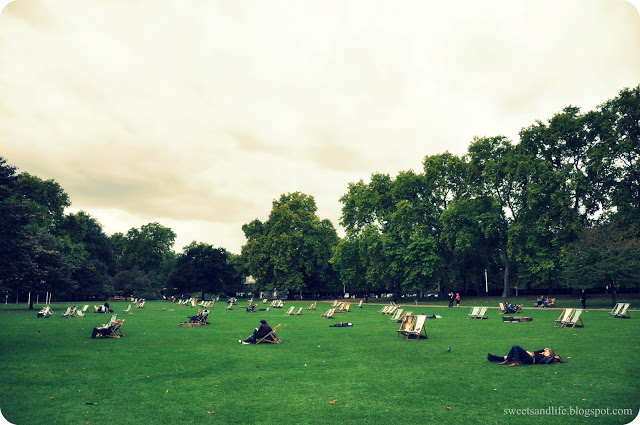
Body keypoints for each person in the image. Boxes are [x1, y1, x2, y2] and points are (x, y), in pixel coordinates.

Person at [487, 346, 565, 366]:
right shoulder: (541, 355)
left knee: (516, 347)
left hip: (530, 360)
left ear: (550, 354)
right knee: (514, 350)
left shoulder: (547, 358)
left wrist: (555, 357)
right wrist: (543, 349)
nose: (545, 352)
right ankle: (493, 358)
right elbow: (535, 352)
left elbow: (550, 361)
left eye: (546, 351)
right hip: (529, 359)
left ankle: (515, 362)